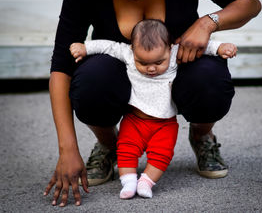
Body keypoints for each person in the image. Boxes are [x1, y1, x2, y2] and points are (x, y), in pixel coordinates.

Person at [44, 0, 261, 207]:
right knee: (91, 81)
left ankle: (202, 136)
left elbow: (250, 3)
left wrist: (207, 23)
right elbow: (61, 65)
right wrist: (68, 149)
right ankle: (108, 145)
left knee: (210, 80)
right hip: (116, 72)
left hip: (179, 67)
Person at [69, 19, 237, 199]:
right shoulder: (128, 54)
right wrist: (85, 48)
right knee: (126, 149)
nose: (151, 68)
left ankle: (146, 182)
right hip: (134, 119)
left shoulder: (174, 55)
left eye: (159, 62)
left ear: (170, 49)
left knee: (161, 154)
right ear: (133, 50)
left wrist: (220, 48)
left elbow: (203, 47)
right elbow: (108, 46)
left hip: (165, 123)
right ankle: (128, 182)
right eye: (142, 63)